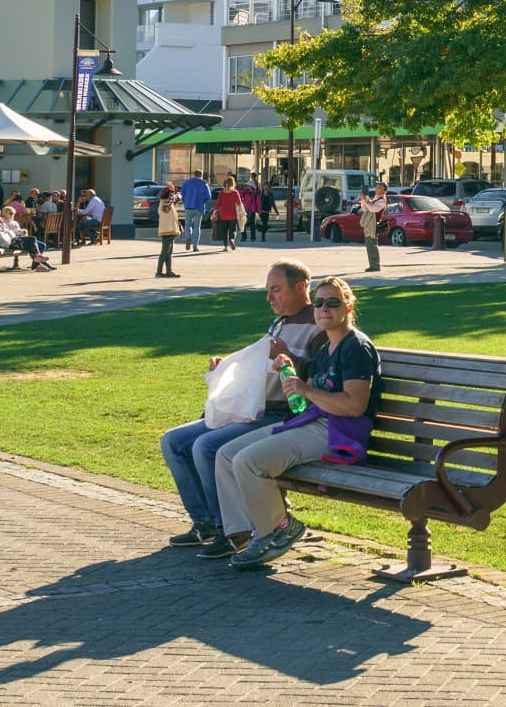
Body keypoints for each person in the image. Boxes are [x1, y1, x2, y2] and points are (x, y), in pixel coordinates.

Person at [214, 274, 380, 569]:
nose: (324, 308)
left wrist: (305, 389)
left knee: (248, 462)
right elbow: (311, 391)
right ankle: (245, 532)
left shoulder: (356, 347)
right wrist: (290, 368)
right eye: (318, 303)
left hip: (337, 430)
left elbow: (355, 406)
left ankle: (276, 530)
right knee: (226, 454)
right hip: (313, 422)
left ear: (349, 306)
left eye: (332, 302)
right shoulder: (327, 346)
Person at [163, 260, 323, 552]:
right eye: (267, 290)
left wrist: (290, 359)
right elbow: (257, 359)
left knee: (206, 446)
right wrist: (227, 365)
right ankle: (206, 522)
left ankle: (232, 529)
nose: (269, 298)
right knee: (173, 441)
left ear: (300, 287)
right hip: (254, 409)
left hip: (283, 415)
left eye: (276, 290)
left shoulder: (318, 326)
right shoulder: (279, 322)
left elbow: (318, 382)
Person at [357, 183, 387, 272]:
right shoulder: (376, 198)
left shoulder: (382, 199)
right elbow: (365, 208)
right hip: (370, 222)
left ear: (384, 190)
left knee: (372, 244)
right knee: (369, 244)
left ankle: (375, 265)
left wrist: (366, 200)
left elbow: (373, 209)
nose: (376, 189)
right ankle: (373, 264)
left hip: (374, 222)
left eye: (379, 187)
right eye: (377, 187)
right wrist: (363, 199)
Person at [179, 169, 212, 252]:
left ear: (193, 174)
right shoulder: (204, 183)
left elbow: (181, 194)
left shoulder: (187, 182)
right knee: (197, 227)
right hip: (199, 207)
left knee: (187, 225)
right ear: (201, 175)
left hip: (188, 207)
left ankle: (188, 238)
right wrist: (202, 202)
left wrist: (185, 201)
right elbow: (208, 196)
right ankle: (195, 246)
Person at [155, 185, 182, 278]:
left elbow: (172, 203)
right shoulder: (165, 203)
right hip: (167, 230)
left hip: (170, 230)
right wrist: (175, 194)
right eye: (171, 194)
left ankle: (169, 271)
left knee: (168, 252)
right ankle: (159, 271)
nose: (173, 195)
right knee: (165, 251)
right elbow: (171, 200)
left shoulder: (167, 203)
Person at [213, 176, 242, 252]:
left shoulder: (222, 193)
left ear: (225, 184)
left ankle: (225, 247)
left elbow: (217, 205)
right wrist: (242, 213)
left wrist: (213, 214)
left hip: (223, 215)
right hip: (232, 215)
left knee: (224, 231)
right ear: (233, 184)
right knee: (233, 230)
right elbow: (239, 203)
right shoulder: (235, 192)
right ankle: (232, 240)